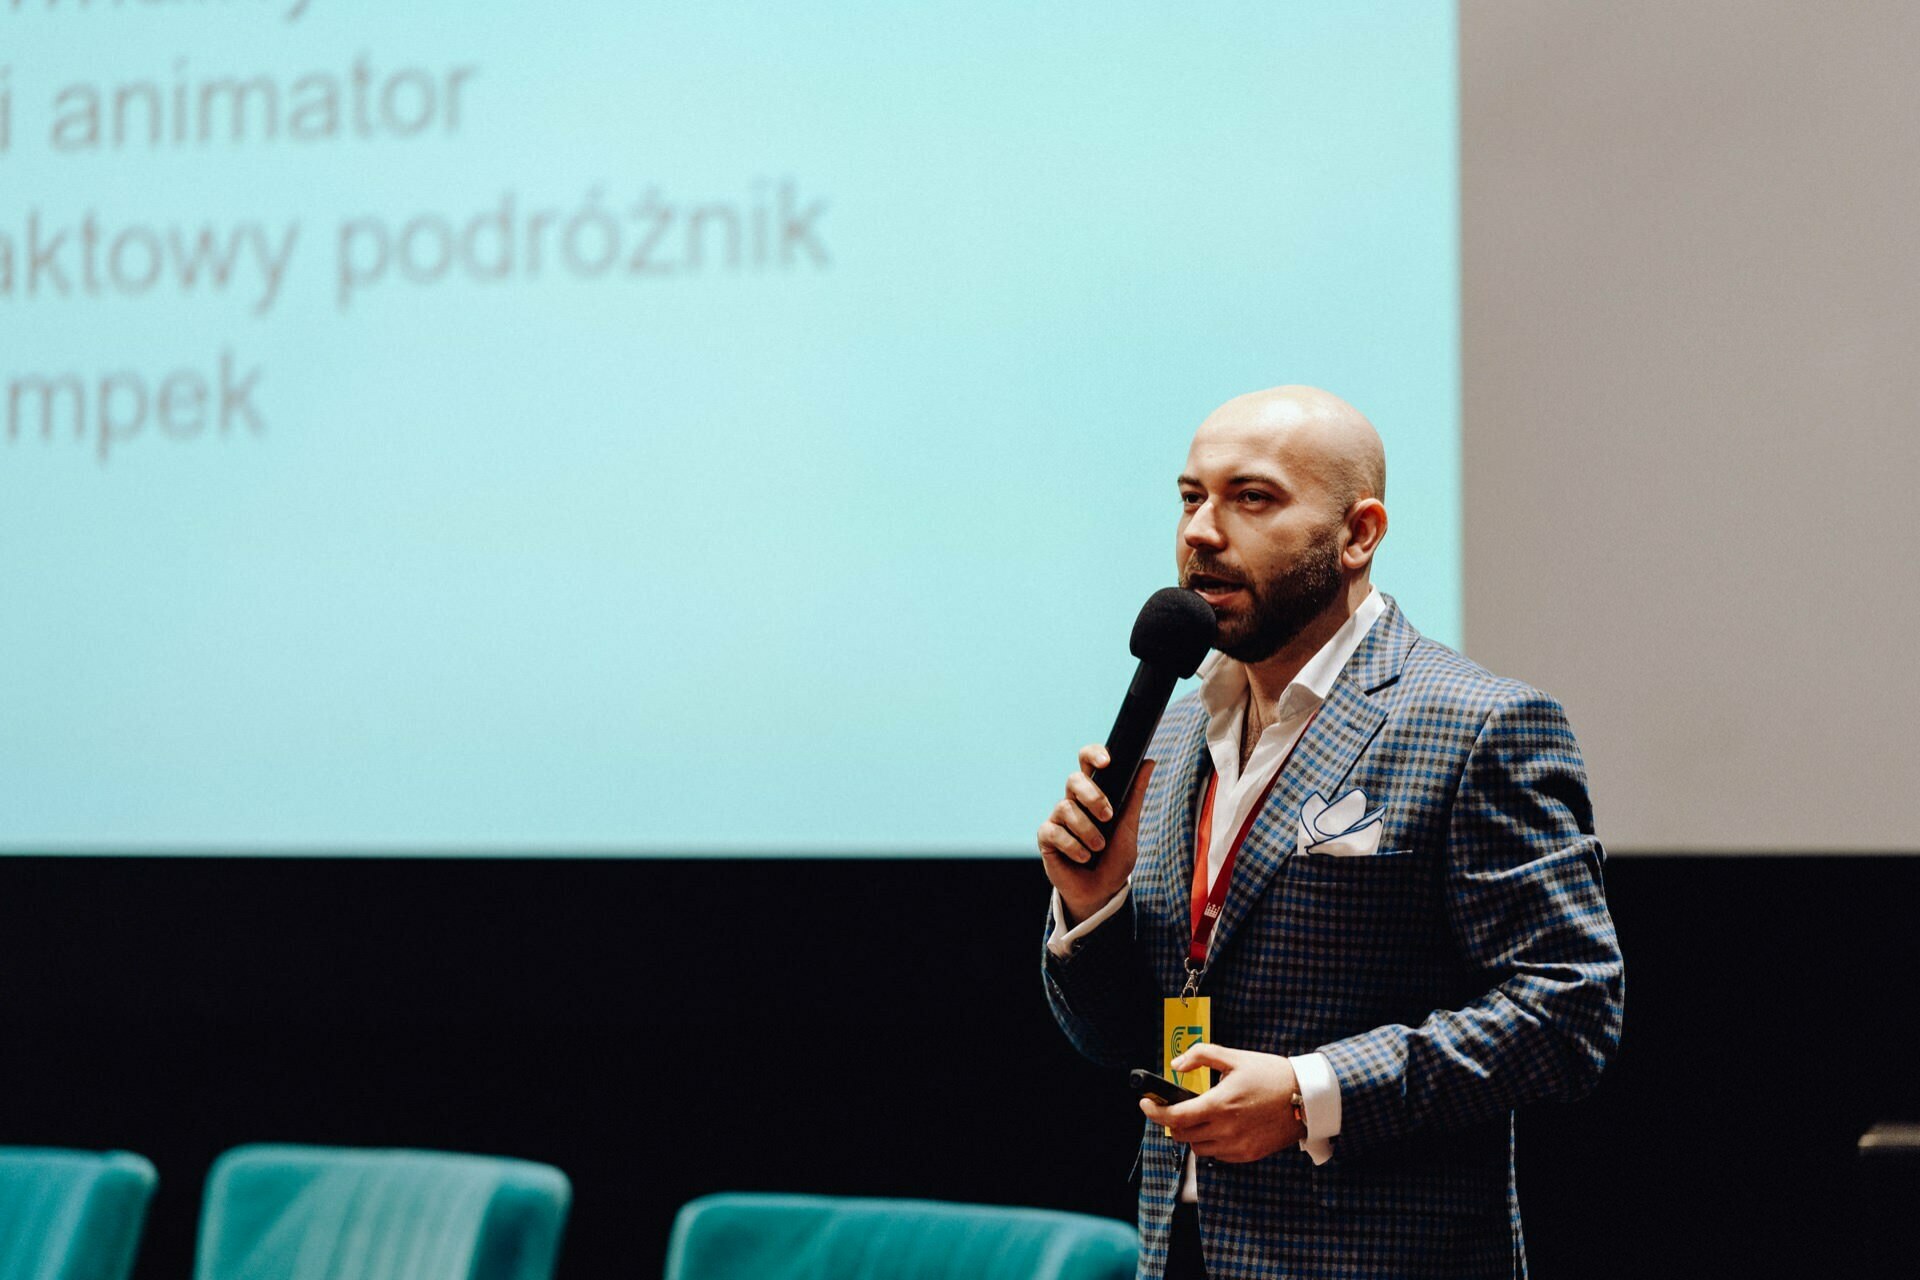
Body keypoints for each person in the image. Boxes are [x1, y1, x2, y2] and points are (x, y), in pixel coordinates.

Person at [1037, 386, 1623, 1280]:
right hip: (1185, 1251)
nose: (1201, 531)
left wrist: (1315, 1094)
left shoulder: (1478, 724)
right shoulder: (1171, 729)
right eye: (1192, 497)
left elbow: (1568, 1012)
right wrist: (1091, 908)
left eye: (1253, 497)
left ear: (1359, 533)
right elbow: (1126, 1039)